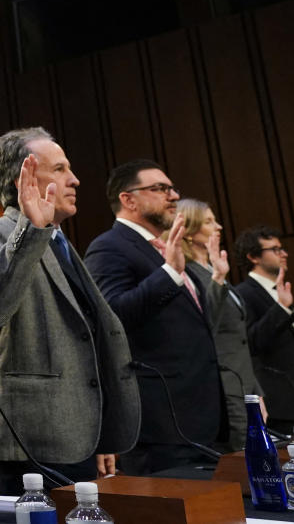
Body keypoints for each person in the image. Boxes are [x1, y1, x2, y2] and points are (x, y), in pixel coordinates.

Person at [0, 128, 138, 494]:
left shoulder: (60, 239)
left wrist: (100, 433)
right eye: (59, 169)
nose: (74, 180)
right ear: (24, 179)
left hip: (75, 433)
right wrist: (31, 228)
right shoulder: (1, 232)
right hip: (34, 437)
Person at [86, 160, 223, 475]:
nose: (173, 195)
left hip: (200, 417)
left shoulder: (166, 248)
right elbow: (113, 318)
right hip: (161, 423)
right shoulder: (109, 247)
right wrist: (168, 274)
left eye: (172, 188)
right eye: (160, 188)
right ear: (128, 199)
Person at [177, 200, 265, 450]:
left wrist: (256, 392)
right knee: (241, 462)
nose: (218, 226)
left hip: (244, 386)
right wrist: (217, 278)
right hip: (223, 388)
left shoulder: (214, 269)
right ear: (189, 231)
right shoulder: (188, 272)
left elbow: (239, 340)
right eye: (208, 221)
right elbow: (206, 325)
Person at [233, 226, 294, 432]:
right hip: (283, 404)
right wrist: (281, 308)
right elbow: (251, 342)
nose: (284, 254)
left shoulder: (279, 290)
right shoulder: (243, 293)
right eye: (275, 249)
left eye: (282, 248)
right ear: (253, 257)